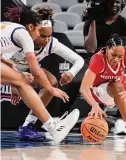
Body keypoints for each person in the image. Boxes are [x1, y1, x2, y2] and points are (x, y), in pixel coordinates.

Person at [3, 7, 84, 140]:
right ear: (33, 29)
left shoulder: (50, 43)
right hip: (11, 69)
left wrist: (71, 72)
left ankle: (28, 125)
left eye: (49, 35)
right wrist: (13, 82)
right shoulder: (21, 37)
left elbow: (79, 60)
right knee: (34, 82)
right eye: (42, 35)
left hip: (21, 68)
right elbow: (7, 61)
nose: (46, 40)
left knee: (51, 81)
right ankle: (52, 126)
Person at [83, 0, 126, 134]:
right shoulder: (91, 22)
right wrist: (92, 21)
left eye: (118, 2)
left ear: (122, 5)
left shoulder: (125, 24)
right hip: (96, 64)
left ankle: (122, 121)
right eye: (111, 1)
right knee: (79, 83)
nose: (114, 4)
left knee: (125, 85)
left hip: (116, 66)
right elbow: (91, 48)